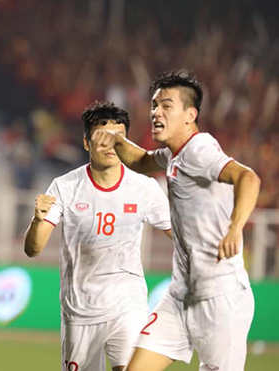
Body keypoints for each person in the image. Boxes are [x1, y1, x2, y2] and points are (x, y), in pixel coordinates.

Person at [91, 71, 260, 371]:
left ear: (190, 115)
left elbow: (248, 177)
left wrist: (235, 229)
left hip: (219, 299)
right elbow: (141, 162)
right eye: (155, 105)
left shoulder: (199, 150)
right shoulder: (174, 154)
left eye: (166, 106)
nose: (156, 112)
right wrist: (116, 139)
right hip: (181, 295)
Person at [24, 101, 172, 371]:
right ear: (86, 142)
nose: (109, 145)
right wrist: (36, 220)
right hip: (79, 312)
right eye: (101, 138)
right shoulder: (65, 187)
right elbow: (33, 249)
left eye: (117, 138)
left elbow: (180, 235)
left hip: (127, 305)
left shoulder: (144, 187)